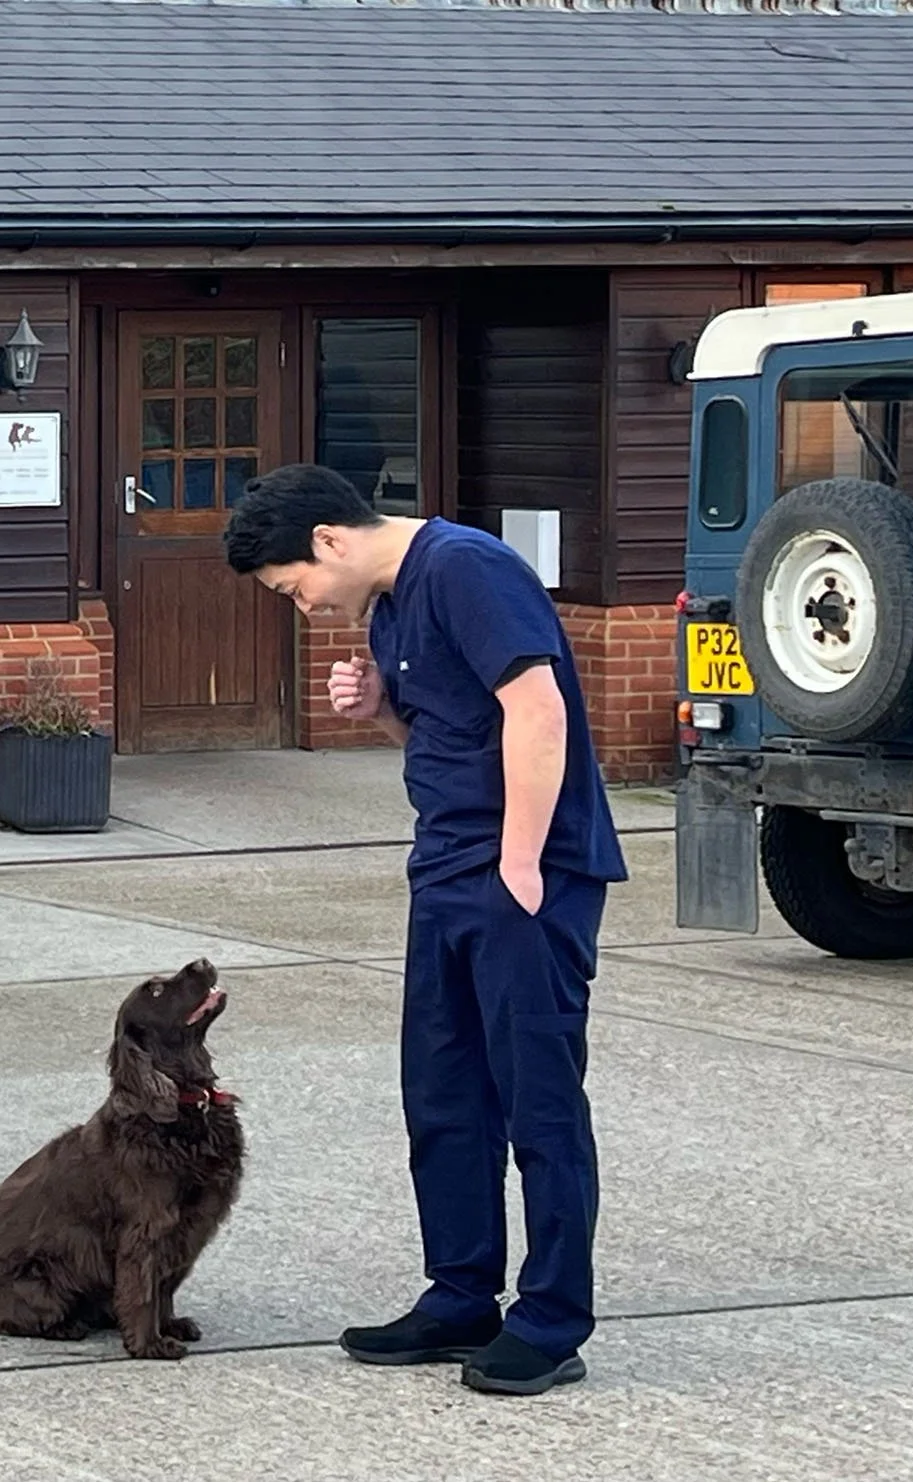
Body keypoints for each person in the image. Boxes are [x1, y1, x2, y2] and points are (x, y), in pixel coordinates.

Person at [223, 464, 628, 1397]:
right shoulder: (393, 603)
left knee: (539, 1102)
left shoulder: (465, 569)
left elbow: (538, 707)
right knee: (444, 1096)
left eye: (294, 588)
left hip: (523, 876)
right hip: (443, 870)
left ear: (329, 540)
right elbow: (450, 729)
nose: (305, 608)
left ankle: (551, 1320)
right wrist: (381, 714)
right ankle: (460, 1295)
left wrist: (521, 861)